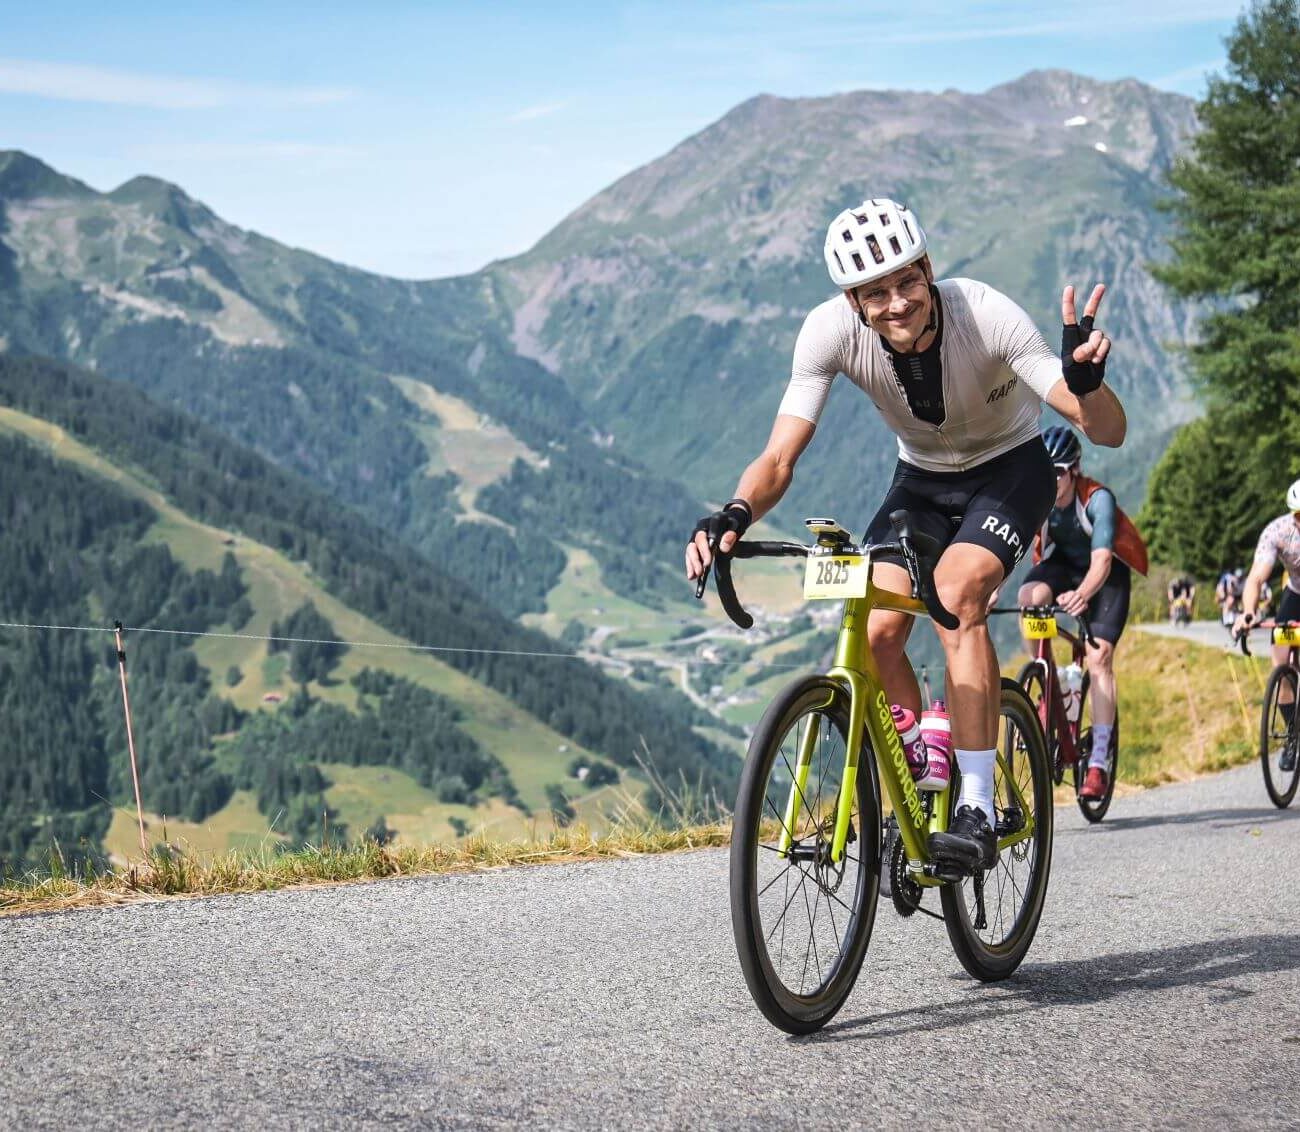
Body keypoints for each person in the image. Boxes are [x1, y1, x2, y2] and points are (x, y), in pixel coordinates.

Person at [685, 197, 1126, 874]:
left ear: (928, 270)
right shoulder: (827, 333)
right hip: (919, 481)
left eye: (906, 282)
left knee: (955, 596)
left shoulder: (985, 313)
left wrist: (1088, 387)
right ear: (854, 302)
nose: (896, 303)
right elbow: (779, 459)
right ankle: (922, 768)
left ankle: (975, 808)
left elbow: (1104, 430)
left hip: (1011, 471)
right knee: (877, 627)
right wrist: (735, 512)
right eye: (875, 292)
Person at [1017, 426, 1148, 799]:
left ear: (1074, 470)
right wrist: (990, 589)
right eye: (1045, 470)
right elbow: (1013, 545)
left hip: (1106, 577)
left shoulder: (1097, 500)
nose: (1050, 477)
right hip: (1064, 567)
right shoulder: (1038, 498)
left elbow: (1103, 559)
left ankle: (1099, 761)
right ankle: (1051, 680)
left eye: (1057, 471)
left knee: (1099, 656)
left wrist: (1082, 594)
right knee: (1030, 596)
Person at [1233, 479, 1300, 771]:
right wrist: (1248, 612)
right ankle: (1292, 737)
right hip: (1296, 594)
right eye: (1299, 515)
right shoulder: (1278, 532)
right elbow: (1257, 578)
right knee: (1282, 665)